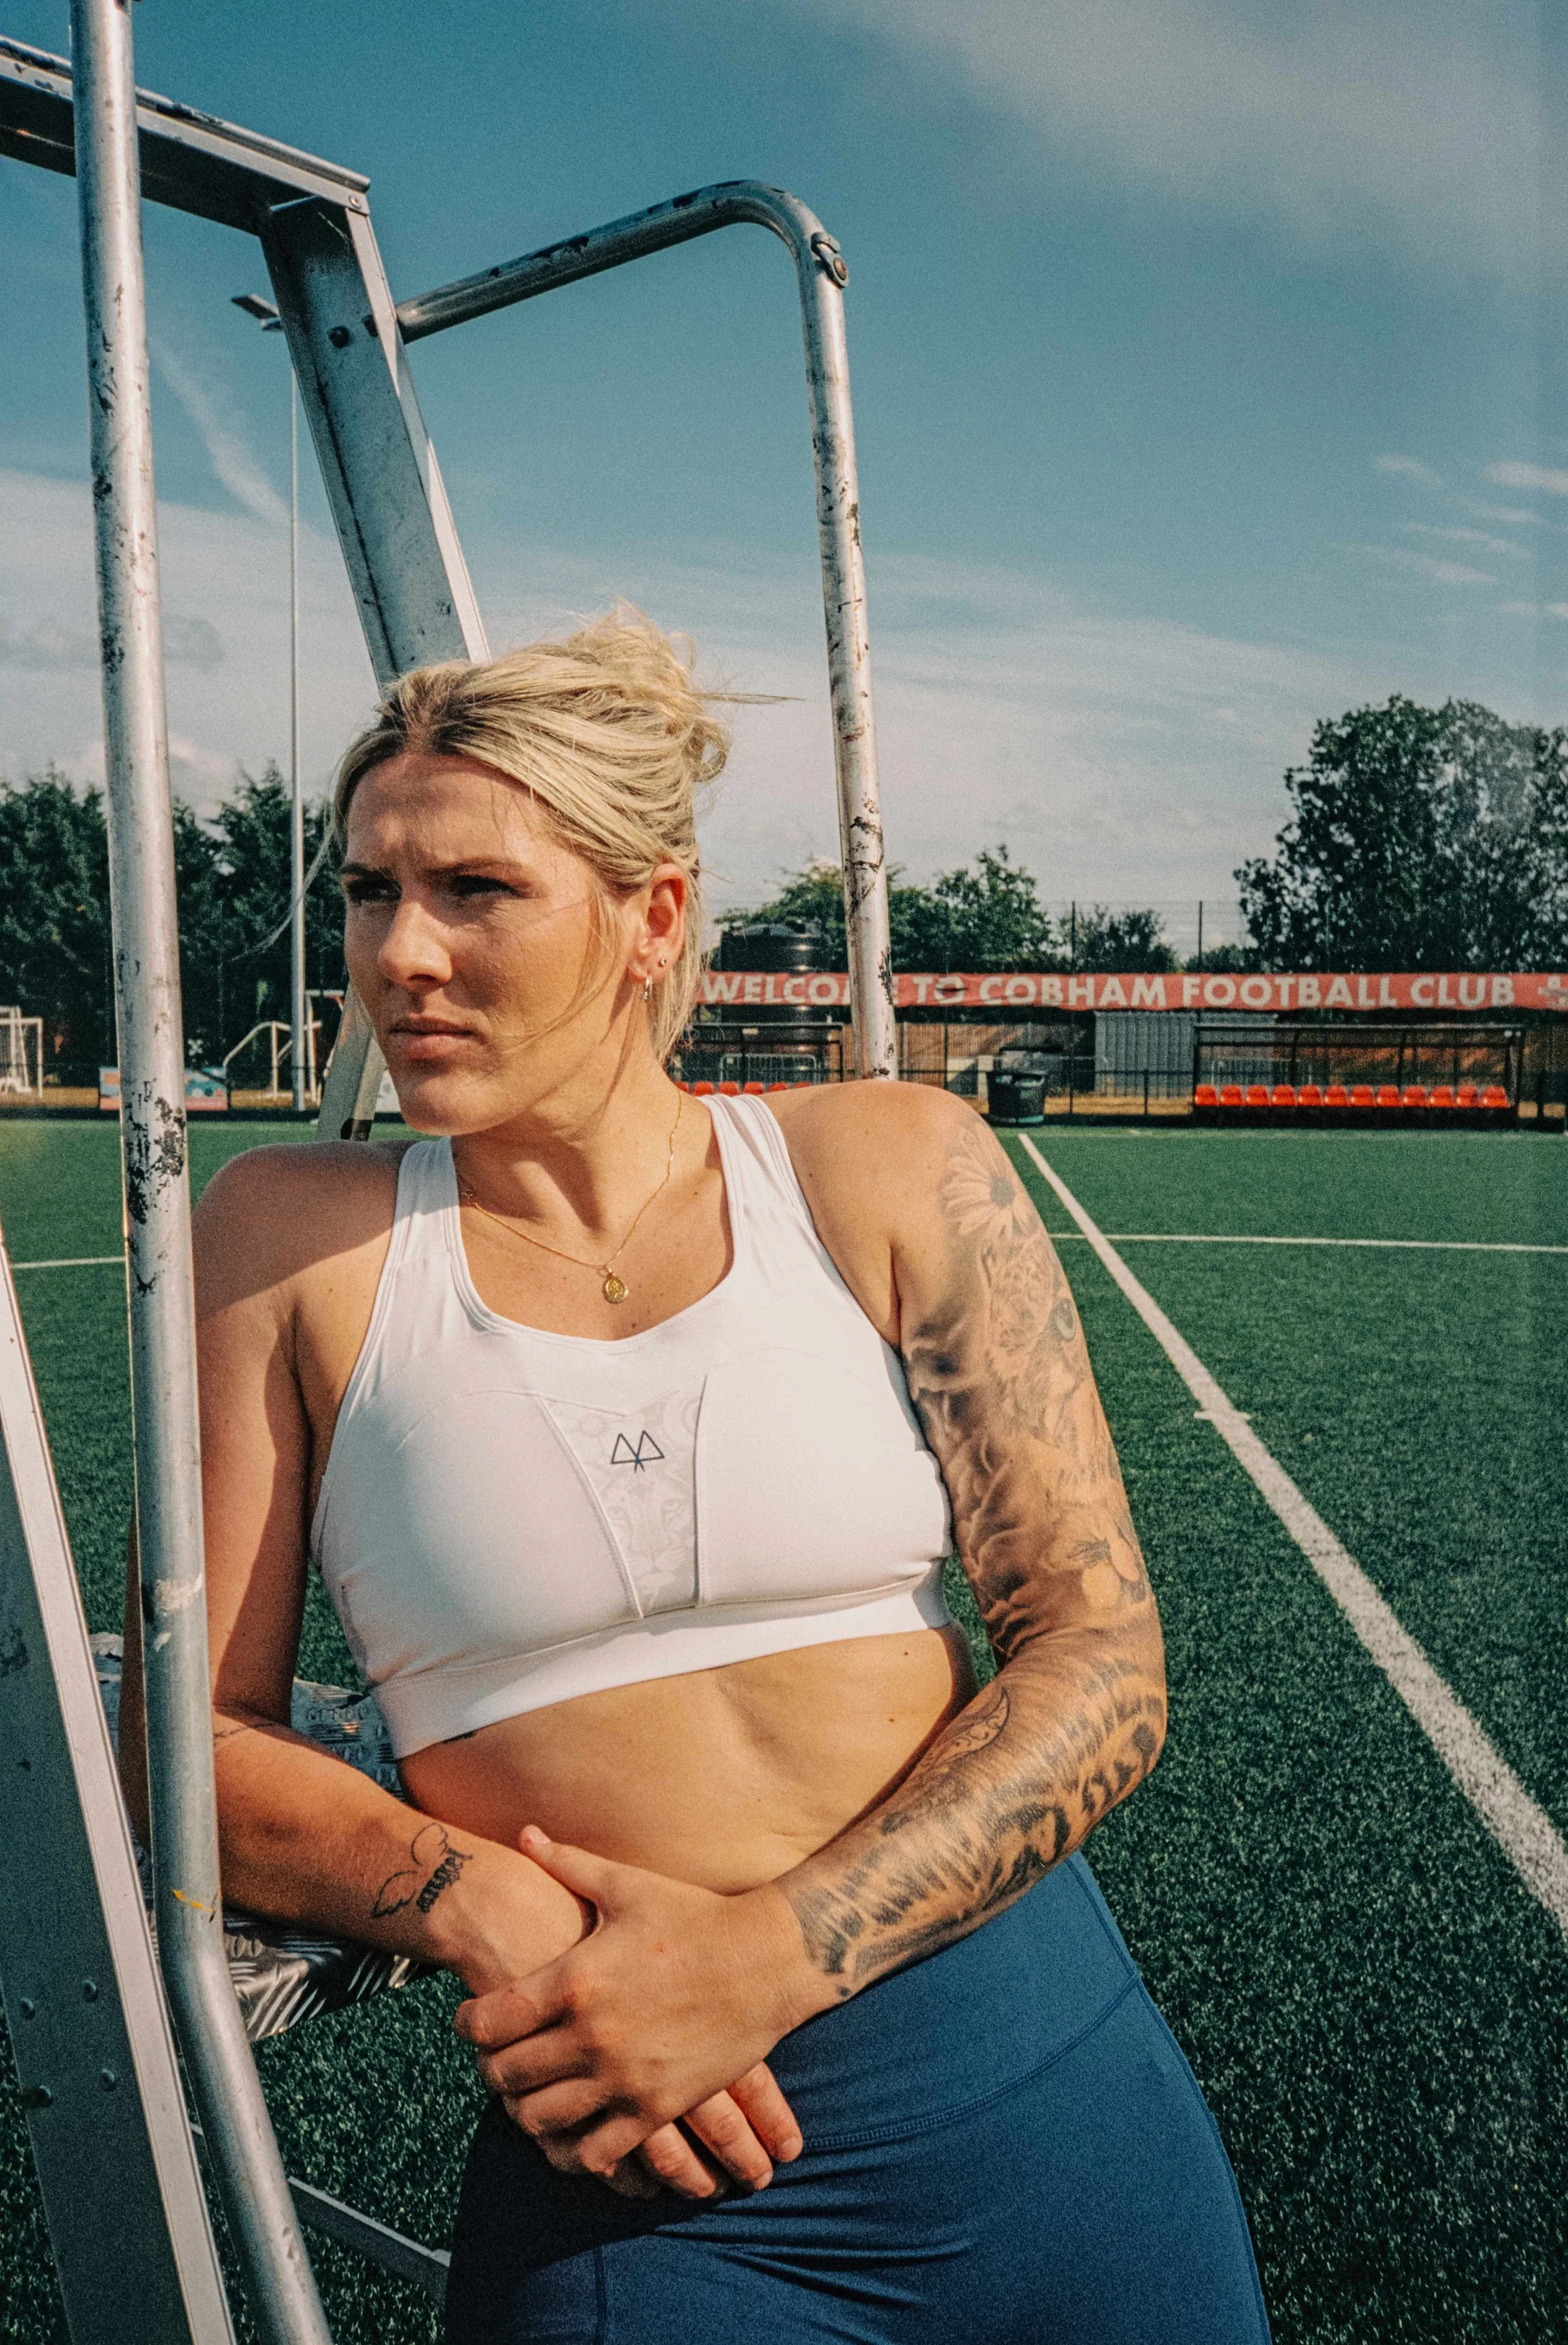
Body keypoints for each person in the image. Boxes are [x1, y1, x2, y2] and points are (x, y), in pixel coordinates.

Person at [120, 611, 1269, 2344]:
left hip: (1039, 2097)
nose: (398, 955)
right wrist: (481, 1909)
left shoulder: (885, 1162)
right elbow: (183, 1741)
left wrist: (770, 1956)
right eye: (368, 892)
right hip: (636, 2164)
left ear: (650, 914)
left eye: (474, 892)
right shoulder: (286, 1242)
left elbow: (1096, 1658)